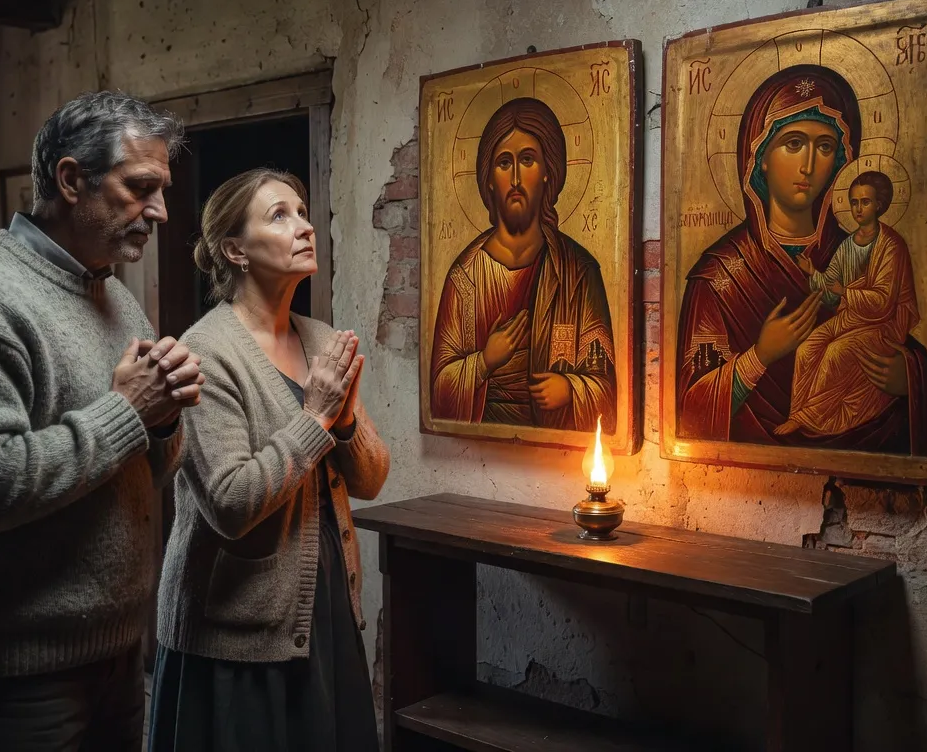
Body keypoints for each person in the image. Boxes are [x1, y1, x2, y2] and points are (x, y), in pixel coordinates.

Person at [0, 90, 201, 751]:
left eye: (162, 189)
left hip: (116, 647)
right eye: (141, 187)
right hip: (12, 664)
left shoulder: (114, 296)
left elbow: (144, 468)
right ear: (71, 180)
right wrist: (128, 411)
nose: (160, 211)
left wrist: (164, 416)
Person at [150, 168, 390, 752]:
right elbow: (231, 505)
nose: (305, 226)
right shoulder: (205, 353)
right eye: (279, 216)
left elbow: (373, 479)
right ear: (234, 249)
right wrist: (315, 419)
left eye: (303, 212)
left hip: (323, 608)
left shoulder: (319, 337)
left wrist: (347, 420)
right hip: (236, 633)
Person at [673, 65, 927, 455]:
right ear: (759, 156)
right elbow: (690, 408)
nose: (809, 165)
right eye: (793, 144)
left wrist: (909, 377)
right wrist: (760, 356)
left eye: (825, 147)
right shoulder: (720, 275)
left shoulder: (863, 248)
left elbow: (892, 325)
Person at [429, 96, 615, 431]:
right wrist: (484, 361)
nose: (515, 178)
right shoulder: (465, 276)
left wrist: (571, 389)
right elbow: (439, 390)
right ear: (488, 179)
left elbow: (607, 385)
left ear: (548, 172)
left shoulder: (577, 271)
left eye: (527, 160)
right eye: (503, 163)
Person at [775, 171, 920, 437]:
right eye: (854, 202)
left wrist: (847, 292)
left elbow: (884, 303)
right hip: (851, 317)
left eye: (865, 202)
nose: (858, 209)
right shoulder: (847, 246)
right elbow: (831, 291)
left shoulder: (892, 246)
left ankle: (811, 417)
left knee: (835, 353)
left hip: (883, 325)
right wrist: (813, 274)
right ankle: (797, 413)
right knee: (807, 348)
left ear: (879, 204)